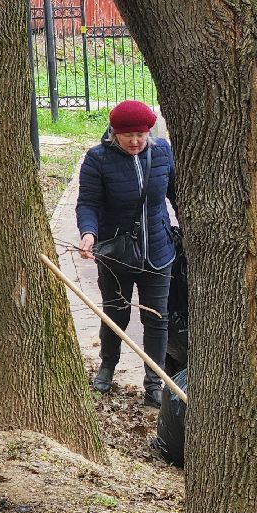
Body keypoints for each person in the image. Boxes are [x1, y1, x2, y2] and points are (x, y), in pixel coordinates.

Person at [76, 99, 177, 408]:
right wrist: (88, 233)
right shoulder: (97, 159)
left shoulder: (162, 153)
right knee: (115, 314)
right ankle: (107, 367)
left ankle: (153, 381)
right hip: (117, 253)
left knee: (156, 318)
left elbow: (176, 194)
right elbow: (88, 203)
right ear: (114, 133)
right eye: (127, 134)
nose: (135, 141)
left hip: (158, 251)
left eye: (141, 134)